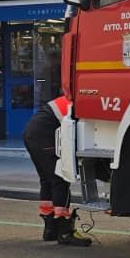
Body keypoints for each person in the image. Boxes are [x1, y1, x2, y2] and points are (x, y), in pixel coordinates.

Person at [23, 93, 90, 246]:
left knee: (47, 180)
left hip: (32, 134)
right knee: (60, 179)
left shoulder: (69, 99)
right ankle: (65, 231)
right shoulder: (79, 102)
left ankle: (50, 229)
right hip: (45, 135)